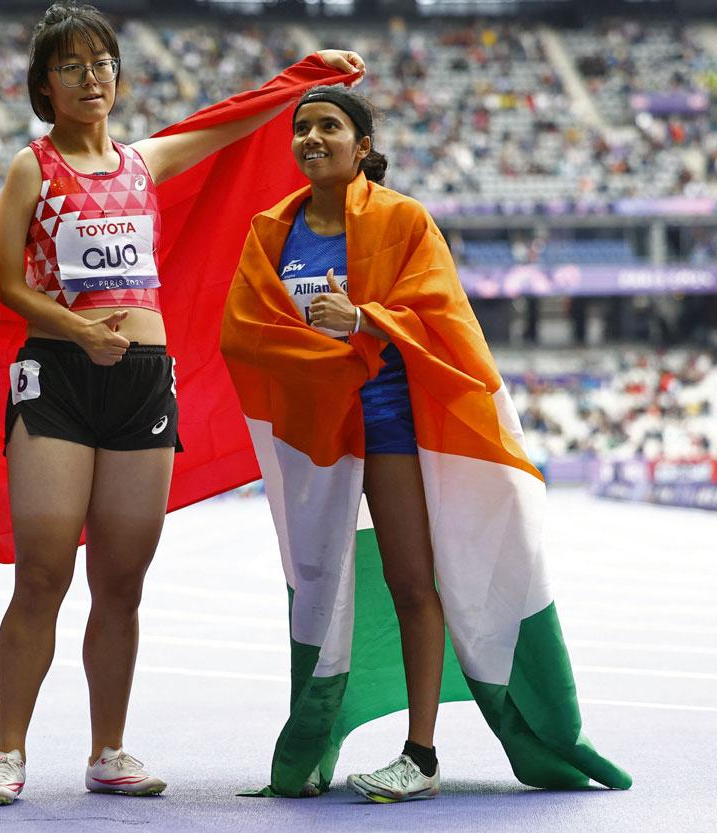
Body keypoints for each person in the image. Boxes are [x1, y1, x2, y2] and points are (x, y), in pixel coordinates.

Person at [0, 2, 365, 805]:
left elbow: (228, 125)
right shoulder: (31, 167)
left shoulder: (143, 164)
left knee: (122, 581)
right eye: (74, 66)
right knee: (44, 573)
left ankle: (107, 748)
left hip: (144, 379)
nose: (94, 77)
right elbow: (9, 284)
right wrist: (78, 331)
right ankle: (8, 751)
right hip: (57, 376)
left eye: (104, 62)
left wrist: (307, 76)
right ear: (45, 86)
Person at [220, 86, 630, 801]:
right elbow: (245, 332)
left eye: (329, 126)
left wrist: (364, 319)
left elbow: (440, 315)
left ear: (364, 147)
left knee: (412, 580)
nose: (311, 138)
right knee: (314, 589)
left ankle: (422, 753)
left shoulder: (403, 219)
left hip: (388, 427)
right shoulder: (269, 232)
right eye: (302, 128)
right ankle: (312, 745)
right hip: (315, 440)